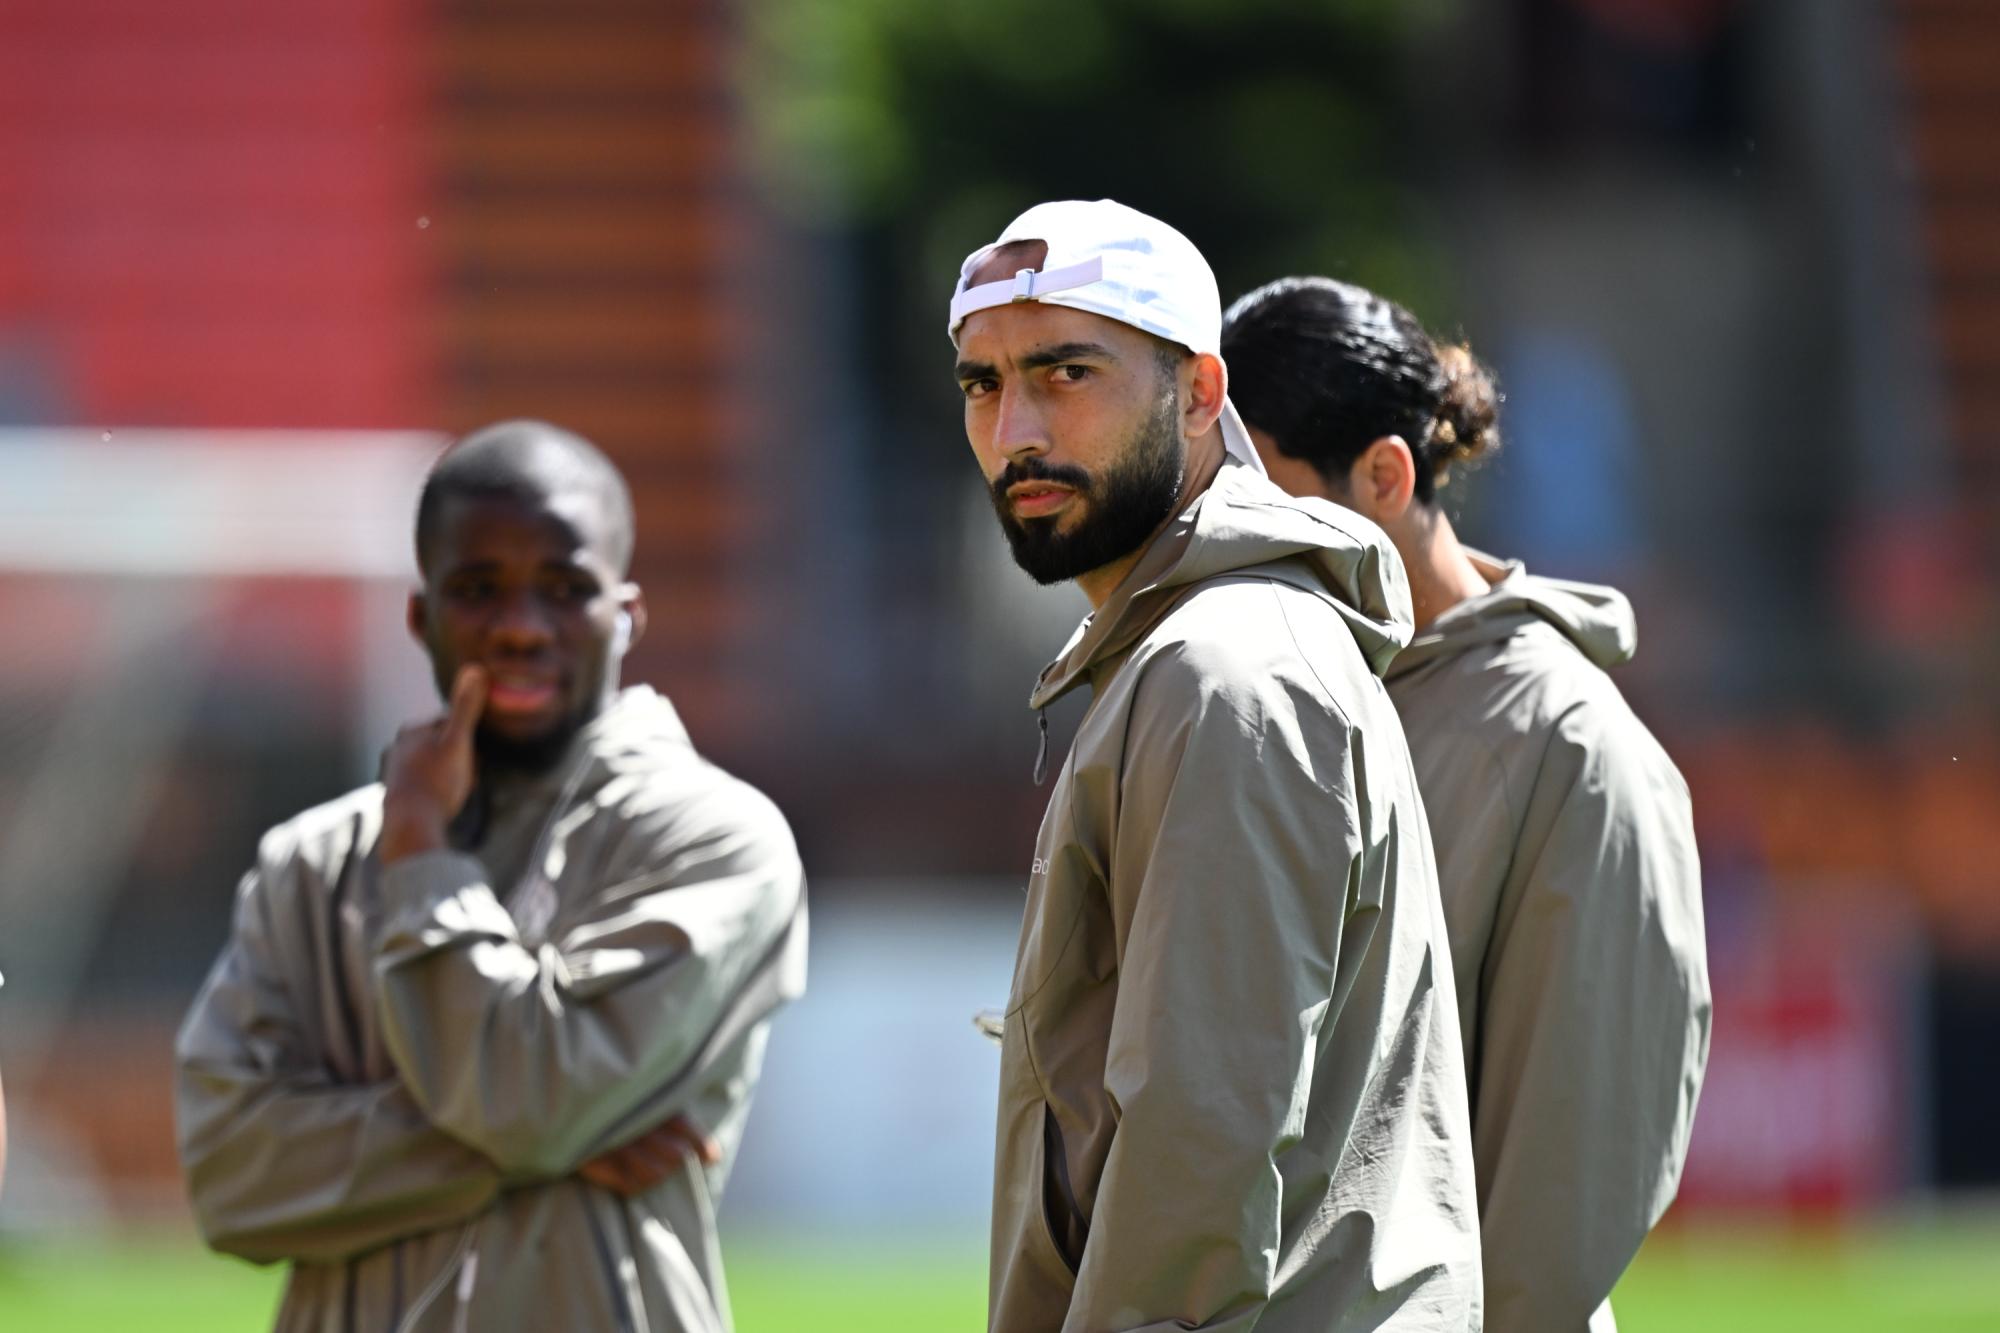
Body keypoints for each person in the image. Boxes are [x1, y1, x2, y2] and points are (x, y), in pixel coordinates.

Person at [951, 200, 1482, 1332]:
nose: (1015, 432)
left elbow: (1201, 1145)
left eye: (1065, 372)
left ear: (1198, 394)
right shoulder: (1187, 653)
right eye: (983, 384)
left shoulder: (1226, 672)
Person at [174, 420, 808, 1333]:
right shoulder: (309, 863)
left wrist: (423, 857)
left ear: (626, 614)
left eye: (565, 588)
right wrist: (548, 1141)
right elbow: (230, 1176)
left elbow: (530, 1102)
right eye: (479, 589)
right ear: (421, 615)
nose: (520, 626)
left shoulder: (714, 839)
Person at [1222, 277, 1711, 1333]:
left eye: (1253, 489)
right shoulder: (1276, 695)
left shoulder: (1571, 748)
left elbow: (1568, 1186)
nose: (1221, 534)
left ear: (1384, 475)